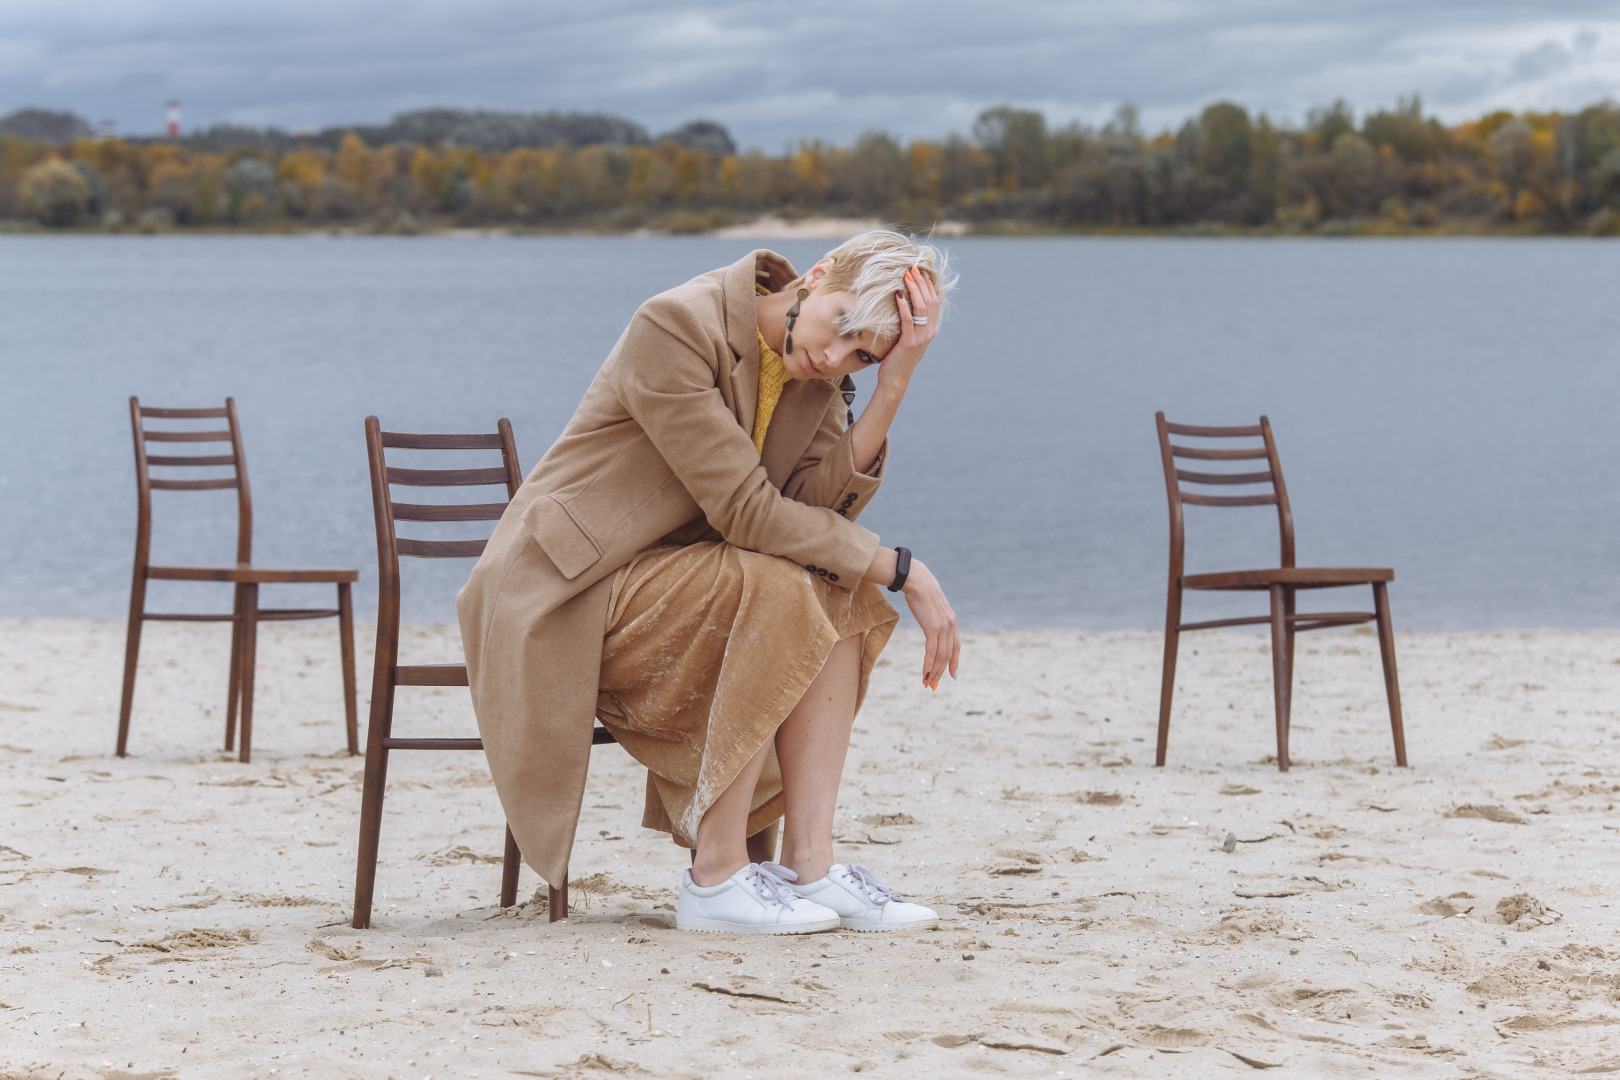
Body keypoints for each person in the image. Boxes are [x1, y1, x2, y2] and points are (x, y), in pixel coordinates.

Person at [458, 230, 960, 934]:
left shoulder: (817, 378)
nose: (834, 356)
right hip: (572, 586)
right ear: (817, 276)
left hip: (682, 581)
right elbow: (748, 513)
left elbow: (811, 519)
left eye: (863, 356)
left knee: (843, 594)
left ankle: (810, 865)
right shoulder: (676, 325)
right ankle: (717, 877)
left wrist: (895, 384)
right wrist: (907, 567)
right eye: (843, 326)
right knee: (784, 587)